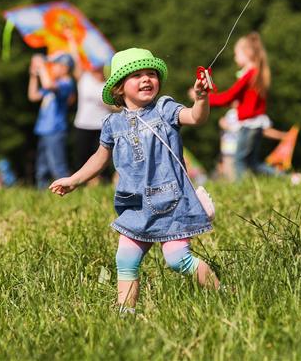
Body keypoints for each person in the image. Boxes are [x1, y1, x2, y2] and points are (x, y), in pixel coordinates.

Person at [49, 48, 219, 313]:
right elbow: (99, 158)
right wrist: (75, 179)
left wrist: (201, 98)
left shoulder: (165, 109)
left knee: (177, 260)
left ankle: (223, 295)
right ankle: (125, 313)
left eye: (151, 73)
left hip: (171, 202)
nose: (146, 79)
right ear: (119, 88)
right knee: (125, 260)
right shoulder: (112, 124)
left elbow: (196, 117)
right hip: (135, 206)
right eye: (136, 75)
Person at [207, 33, 275, 178]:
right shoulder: (257, 73)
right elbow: (235, 98)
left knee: (238, 161)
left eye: (236, 53)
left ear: (248, 53)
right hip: (256, 124)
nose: (235, 57)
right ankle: (288, 178)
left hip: (249, 124)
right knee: (252, 163)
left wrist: (204, 98)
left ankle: (242, 190)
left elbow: (228, 97)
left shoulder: (249, 74)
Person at [67, 36, 114, 183]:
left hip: (102, 126)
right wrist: (71, 39)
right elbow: (76, 58)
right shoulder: (84, 77)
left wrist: (107, 103)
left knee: (103, 158)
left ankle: (103, 182)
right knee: (82, 155)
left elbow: (116, 107)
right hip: (83, 124)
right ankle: (86, 183)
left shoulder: (109, 84)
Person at [28, 52, 75, 188]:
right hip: (44, 130)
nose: (52, 68)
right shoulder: (54, 83)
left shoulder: (66, 84)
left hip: (55, 130)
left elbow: (48, 85)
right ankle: (42, 194)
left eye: (55, 66)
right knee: (42, 168)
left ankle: (66, 192)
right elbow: (33, 95)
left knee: (58, 166)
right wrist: (33, 75)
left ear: (65, 67)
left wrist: (41, 66)